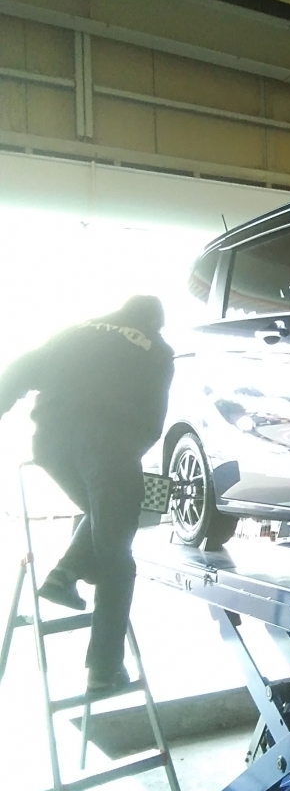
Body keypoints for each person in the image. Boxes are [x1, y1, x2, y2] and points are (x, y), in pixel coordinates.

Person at [0, 295, 174, 693]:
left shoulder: (73, 332)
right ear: (154, 321)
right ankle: (104, 669)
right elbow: (153, 417)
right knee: (116, 556)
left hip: (51, 444)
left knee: (102, 516)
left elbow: (17, 371)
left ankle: (65, 574)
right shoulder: (157, 349)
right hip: (109, 449)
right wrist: (129, 452)